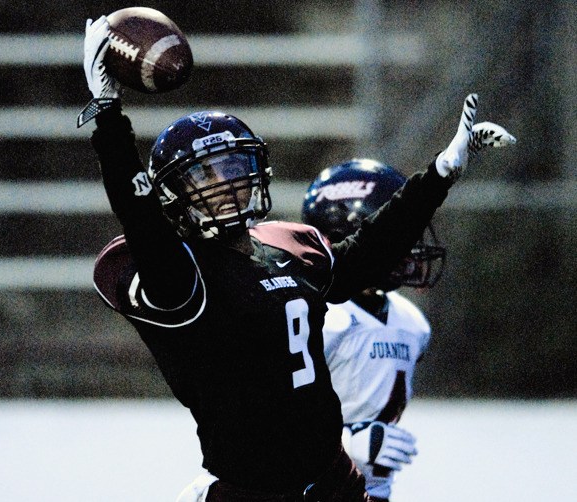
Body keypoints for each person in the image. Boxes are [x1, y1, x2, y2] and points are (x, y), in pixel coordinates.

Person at [80, 15, 515, 502]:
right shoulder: (181, 278)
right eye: (204, 177)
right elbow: (140, 220)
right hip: (254, 493)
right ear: (172, 196)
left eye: (233, 169)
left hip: (335, 482)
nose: (226, 186)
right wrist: (108, 116)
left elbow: (368, 256)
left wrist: (438, 175)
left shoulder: (284, 247)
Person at [302, 159, 445, 502]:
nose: (410, 249)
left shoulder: (411, 323)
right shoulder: (316, 317)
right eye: (396, 235)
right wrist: (348, 442)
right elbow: (260, 422)